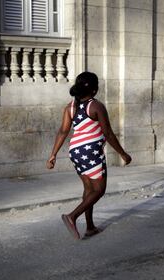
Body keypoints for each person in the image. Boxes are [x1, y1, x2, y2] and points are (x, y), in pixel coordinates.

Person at [46, 71, 132, 240]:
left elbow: (63, 131)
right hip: (91, 151)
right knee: (99, 190)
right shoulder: (96, 106)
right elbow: (108, 133)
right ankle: (72, 216)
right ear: (94, 90)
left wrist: (53, 155)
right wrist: (123, 154)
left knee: (88, 189)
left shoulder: (70, 107)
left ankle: (90, 227)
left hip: (76, 152)